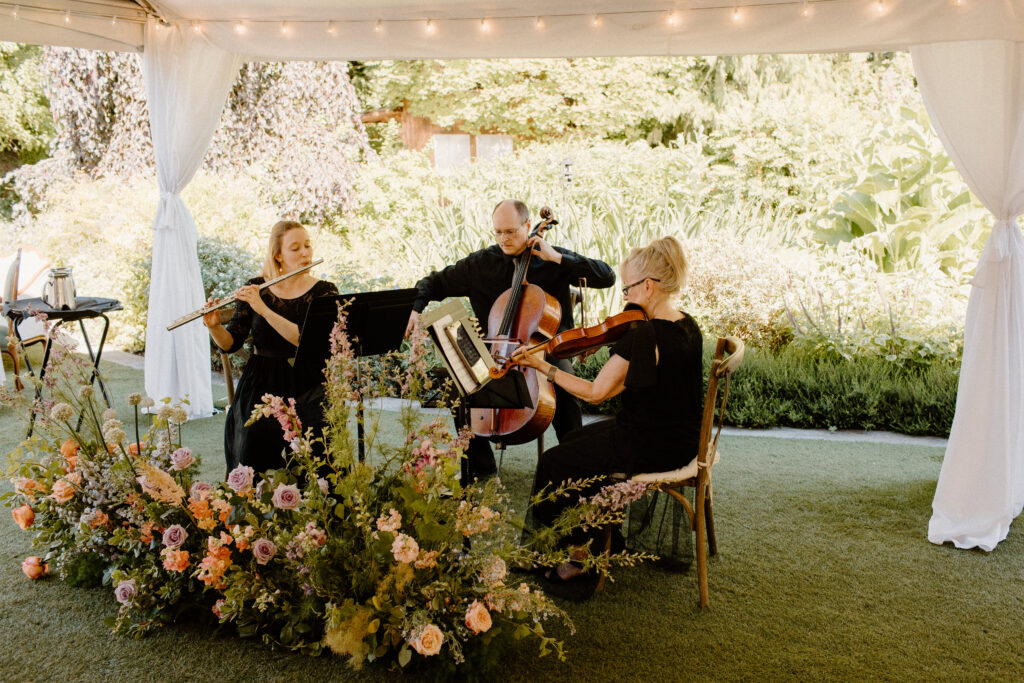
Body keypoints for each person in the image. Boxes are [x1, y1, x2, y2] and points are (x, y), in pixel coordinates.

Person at [516, 235, 704, 596]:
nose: (625, 298)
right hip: (679, 437)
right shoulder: (686, 325)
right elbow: (641, 378)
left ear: (648, 286)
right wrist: (608, 346)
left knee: (555, 463)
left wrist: (545, 367)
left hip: (647, 443)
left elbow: (597, 392)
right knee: (572, 440)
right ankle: (608, 537)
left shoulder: (644, 336)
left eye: (628, 289)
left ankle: (578, 553)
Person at [405, 199, 616, 480]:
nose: (504, 239)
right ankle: (481, 466)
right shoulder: (481, 264)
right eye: (498, 232)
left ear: (528, 226)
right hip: (495, 352)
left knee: (563, 389)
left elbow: (607, 277)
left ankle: (574, 466)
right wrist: (416, 308)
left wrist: (557, 258)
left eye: (511, 232)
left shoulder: (551, 258)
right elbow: (433, 282)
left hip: (547, 350)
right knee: (458, 382)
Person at [204, 220, 338, 474]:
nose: (305, 253)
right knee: (251, 441)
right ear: (278, 255)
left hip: (306, 382)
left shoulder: (324, 292)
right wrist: (214, 327)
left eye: (307, 246)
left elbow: (304, 340)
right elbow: (231, 343)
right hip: (260, 384)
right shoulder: (257, 287)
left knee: (317, 451)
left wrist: (262, 309)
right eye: (295, 248)